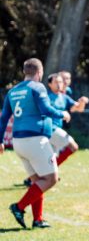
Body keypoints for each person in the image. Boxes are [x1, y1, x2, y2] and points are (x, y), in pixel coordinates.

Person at [0, 58, 70, 229]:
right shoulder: (37, 87)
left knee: (37, 180)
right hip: (35, 141)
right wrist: (63, 114)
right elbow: (46, 109)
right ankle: (19, 207)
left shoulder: (13, 91)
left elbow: (3, 118)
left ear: (25, 72)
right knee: (51, 178)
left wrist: (0, 140)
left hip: (18, 142)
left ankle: (37, 219)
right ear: (40, 72)